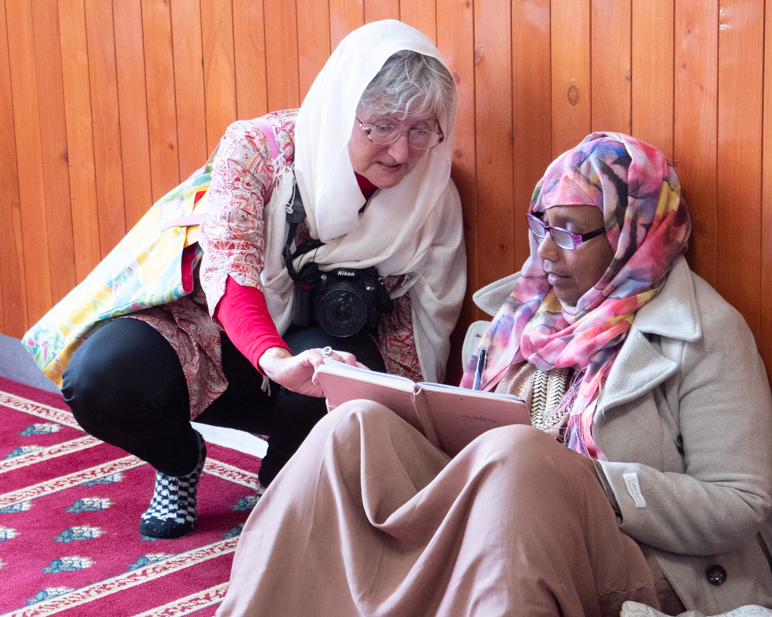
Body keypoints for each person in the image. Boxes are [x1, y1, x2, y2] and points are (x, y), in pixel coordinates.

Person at [81, 133, 772, 617]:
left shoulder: (706, 335)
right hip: (514, 552)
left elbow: (740, 502)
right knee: (353, 427)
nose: (546, 253)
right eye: (540, 225)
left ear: (635, 229)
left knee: (521, 455)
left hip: (641, 574)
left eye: (572, 231)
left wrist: (590, 479)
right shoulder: (518, 319)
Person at [28, 20, 465, 538]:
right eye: (383, 127)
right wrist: (276, 359)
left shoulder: (433, 195)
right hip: (210, 330)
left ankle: (281, 485)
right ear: (344, 105)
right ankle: (177, 460)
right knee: (101, 378)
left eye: (421, 130)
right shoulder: (259, 150)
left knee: (345, 374)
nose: (401, 152)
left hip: (317, 351)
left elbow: (424, 328)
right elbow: (231, 268)